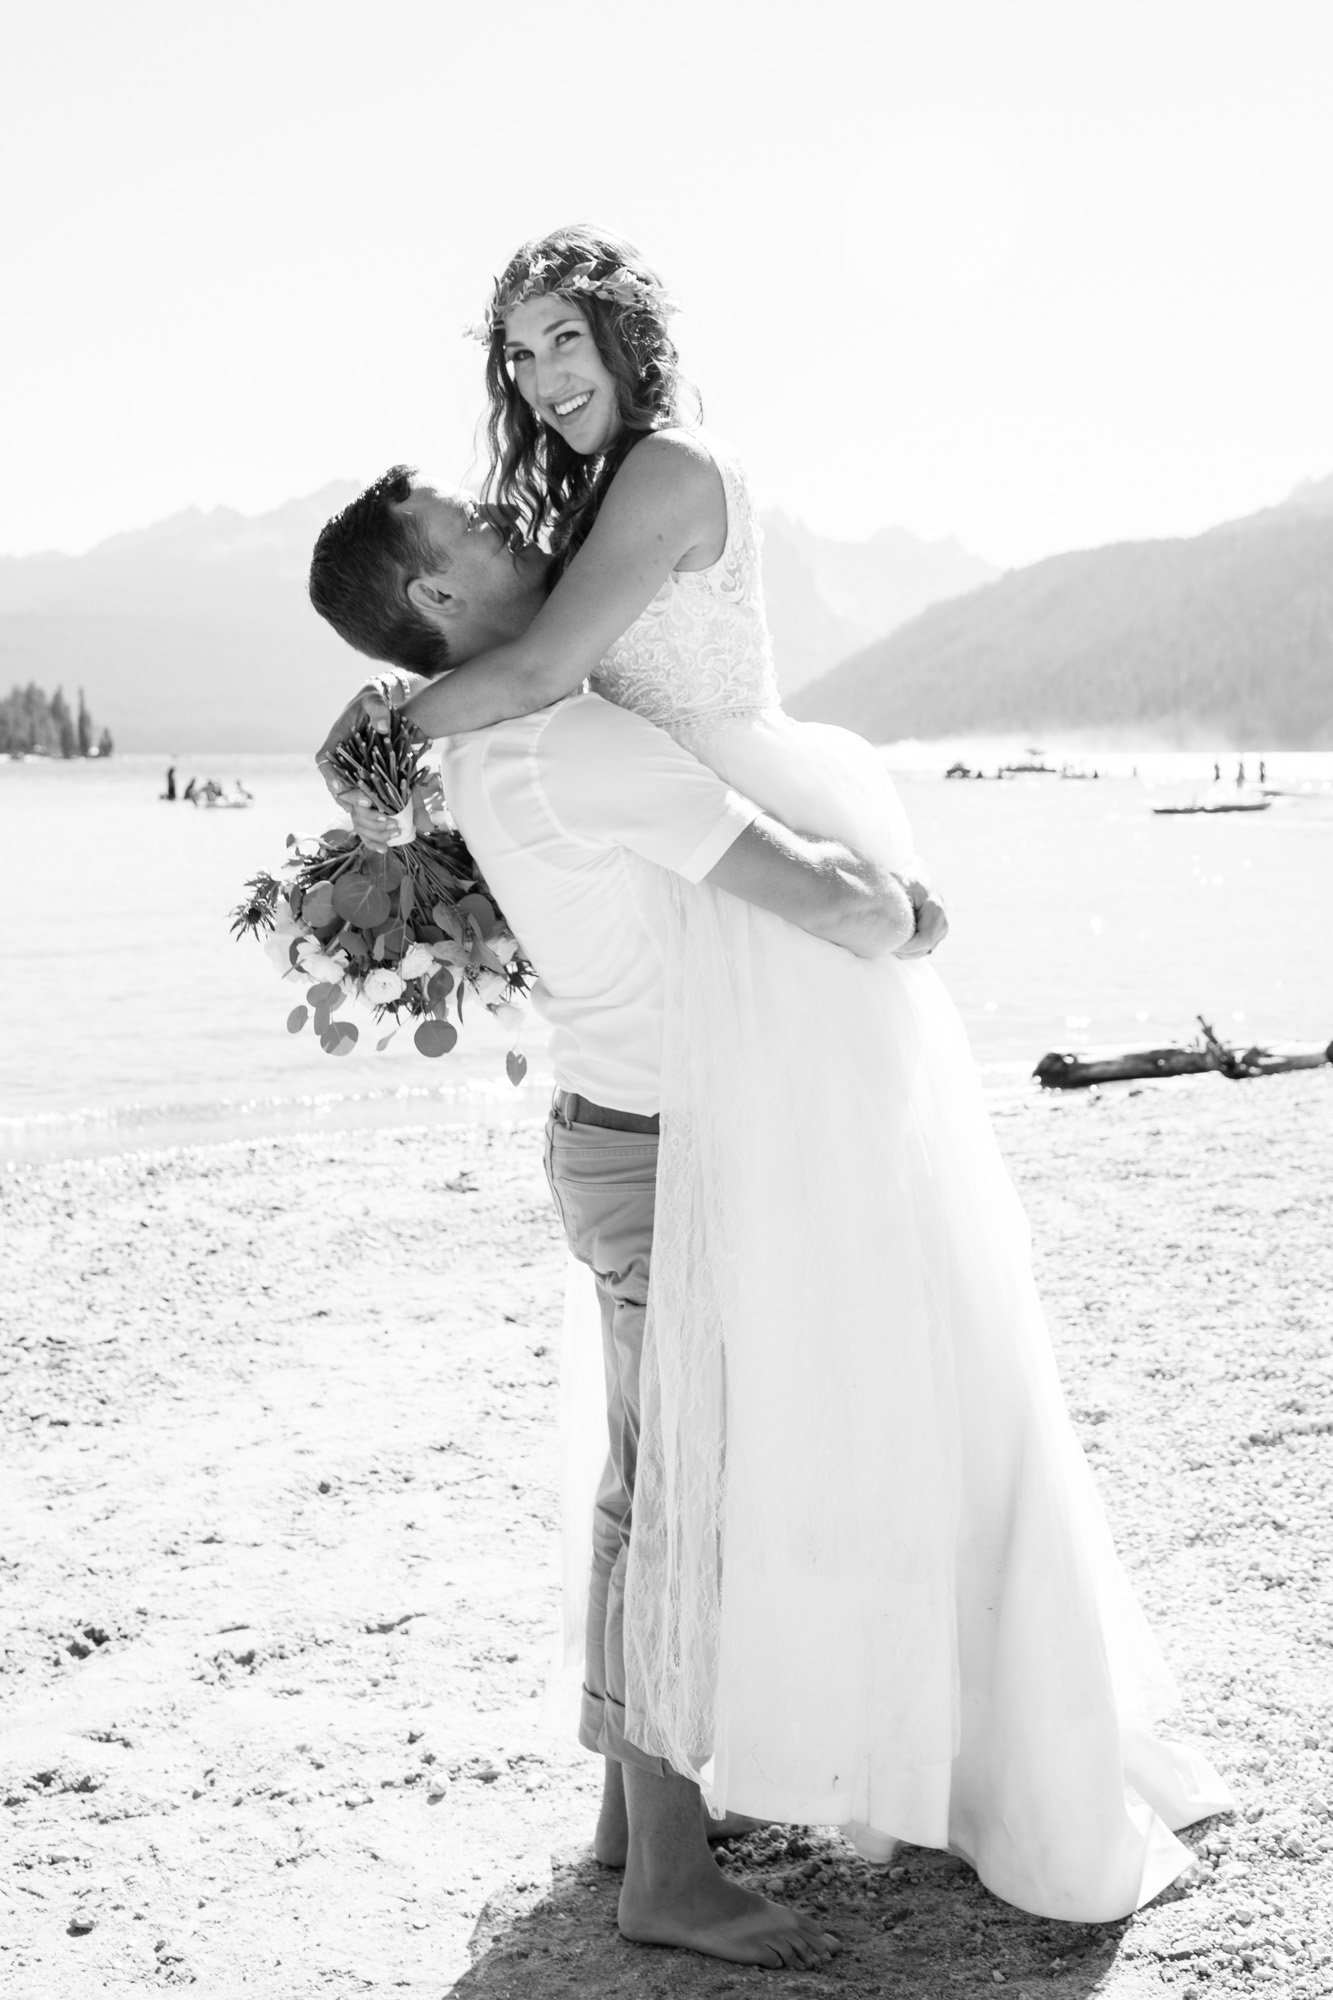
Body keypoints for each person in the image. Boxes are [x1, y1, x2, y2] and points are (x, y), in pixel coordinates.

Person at [310, 227, 1231, 1928]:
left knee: (733, 1432)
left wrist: (387, 722)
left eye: (562, 336)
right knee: (715, 1453)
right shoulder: (560, 635)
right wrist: (407, 714)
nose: (537, 377)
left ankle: (688, 1810)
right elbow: (534, 679)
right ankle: (674, 1836)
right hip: (721, 968)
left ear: (627, 336)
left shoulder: (662, 475)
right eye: (513, 353)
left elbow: (532, 674)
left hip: (735, 951)